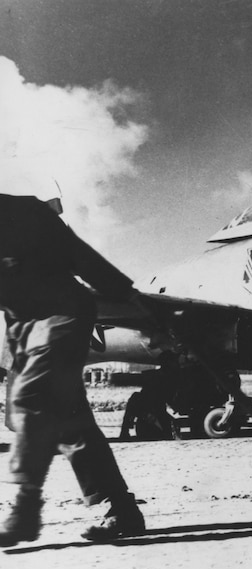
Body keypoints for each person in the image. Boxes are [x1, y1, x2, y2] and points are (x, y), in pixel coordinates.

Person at [0, 173, 147, 545]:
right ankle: (122, 509)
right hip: (21, 329)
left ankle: (26, 508)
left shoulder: (25, 211)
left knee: (32, 397)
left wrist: (124, 291)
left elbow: (78, 254)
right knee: (67, 418)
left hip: (63, 313)